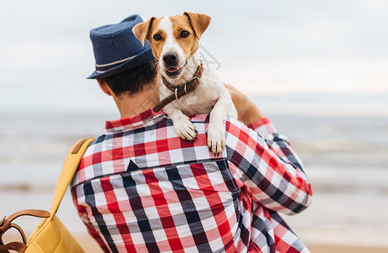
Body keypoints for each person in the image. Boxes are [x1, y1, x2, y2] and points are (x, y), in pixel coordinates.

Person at [71, 14, 313, 253]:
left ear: (103, 85)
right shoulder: (222, 136)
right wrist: (253, 116)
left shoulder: (82, 173)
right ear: (161, 64)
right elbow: (299, 197)